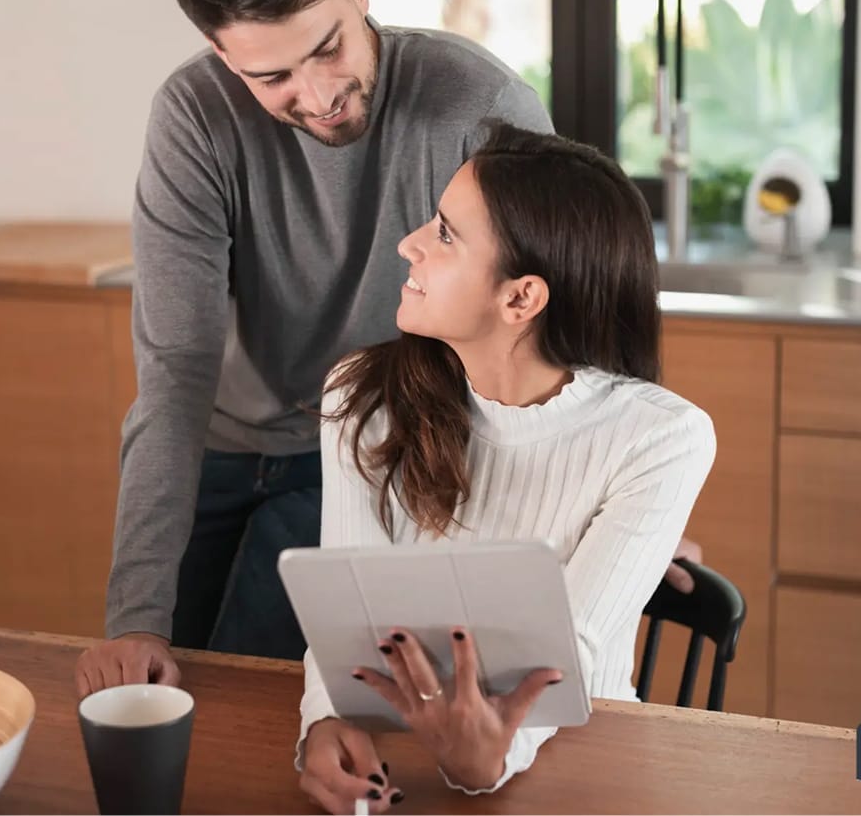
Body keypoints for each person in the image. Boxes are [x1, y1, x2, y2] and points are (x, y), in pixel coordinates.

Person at [74, 0, 700, 696]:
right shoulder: (193, 118)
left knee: (264, 699)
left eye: (326, 47)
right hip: (219, 446)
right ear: (221, 56)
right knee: (161, 683)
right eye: (270, 77)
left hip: (375, 444)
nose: (319, 93)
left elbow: (566, 295)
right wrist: (136, 615)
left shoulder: (478, 103)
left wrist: (625, 507)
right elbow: (175, 368)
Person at [295, 122, 717, 813]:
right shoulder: (361, 395)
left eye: (444, 234)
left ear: (520, 298)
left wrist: (486, 759)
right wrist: (324, 720)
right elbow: (349, 615)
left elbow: (566, 657)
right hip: (407, 753)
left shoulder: (663, 438)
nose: (409, 245)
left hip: (588, 766)